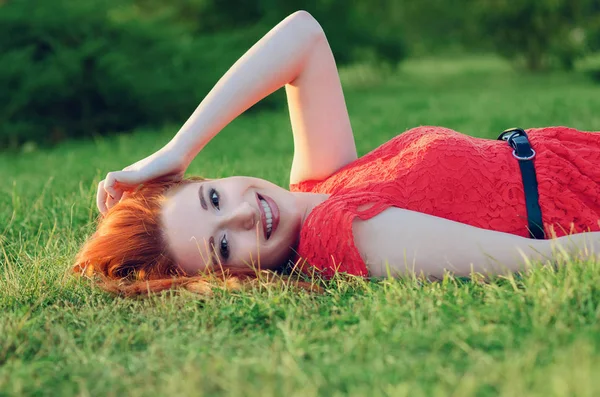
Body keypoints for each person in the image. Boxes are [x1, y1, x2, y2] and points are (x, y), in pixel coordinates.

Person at [75, 11, 600, 295]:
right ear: (234, 277)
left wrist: (176, 149)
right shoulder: (333, 236)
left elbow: (304, 36)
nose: (243, 215)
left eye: (213, 199)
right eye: (224, 249)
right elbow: (546, 260)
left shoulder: (314, 190)